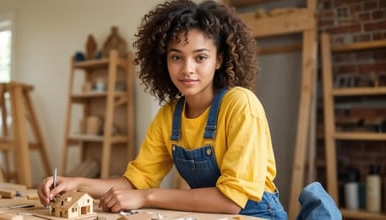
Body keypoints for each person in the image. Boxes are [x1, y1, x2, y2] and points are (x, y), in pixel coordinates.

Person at [38, 0, 287, 219]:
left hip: (258, 216)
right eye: (176, 57)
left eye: (200, 58)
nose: (187, 69)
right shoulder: (169, 116)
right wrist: (76, 183)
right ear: (163, 59)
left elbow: (231, 202)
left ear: (219, 60)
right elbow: (135, 183)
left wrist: (147, 197)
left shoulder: (241, 105)